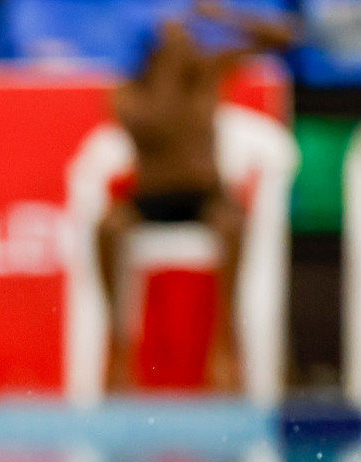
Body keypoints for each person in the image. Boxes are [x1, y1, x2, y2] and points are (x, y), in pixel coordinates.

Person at [99, 0, 295, 394]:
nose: (186, 42)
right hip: (150, 200)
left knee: (233, 221)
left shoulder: (207, 71)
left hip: (204, 196)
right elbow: (159, 127)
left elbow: (285, 39)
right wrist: (170, 65)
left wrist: (223, 16)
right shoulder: (128, 94)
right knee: (107, 226)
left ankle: (224, 344)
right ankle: (118, 344)